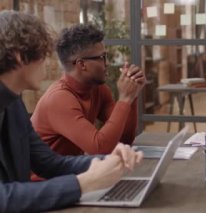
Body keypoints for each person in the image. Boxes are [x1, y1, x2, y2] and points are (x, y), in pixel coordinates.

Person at [0, 10, 143, 212]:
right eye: (42, 54)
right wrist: (84, 183)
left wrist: (107, 161)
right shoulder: (56, 98)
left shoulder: (14, 104)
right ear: (19, 57)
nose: (48, 62)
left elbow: (50, 164)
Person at [31, 24, 145, 156]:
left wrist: (132, 96)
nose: (106, 63)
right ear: (81, 64)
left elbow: (124, 139)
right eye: (101, 57)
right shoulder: (59, 99)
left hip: (73, 171)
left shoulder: (98, 89)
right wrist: (125, 99)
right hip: (46, 176)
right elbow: (100, 147)